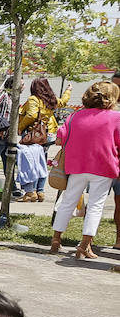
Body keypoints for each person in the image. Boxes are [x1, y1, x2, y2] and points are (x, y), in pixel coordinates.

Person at [51, 80, 120, 259]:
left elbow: (60, 138)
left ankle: (56, 240)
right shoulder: (115, 118)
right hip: (104, 167)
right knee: (96, 206)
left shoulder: (74, 116)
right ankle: (84, 245)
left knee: (68, 201)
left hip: (76, 166)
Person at [15, 78, 57, 201]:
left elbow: (31, 115)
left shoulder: (33, 99)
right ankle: (40, 191)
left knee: (28, 162)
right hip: (47, 133)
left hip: (33, 134)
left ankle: (30, 191)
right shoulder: (50, 99)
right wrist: (68, 91)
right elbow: (63, 102)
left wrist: (20, 127)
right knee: (41, 162)